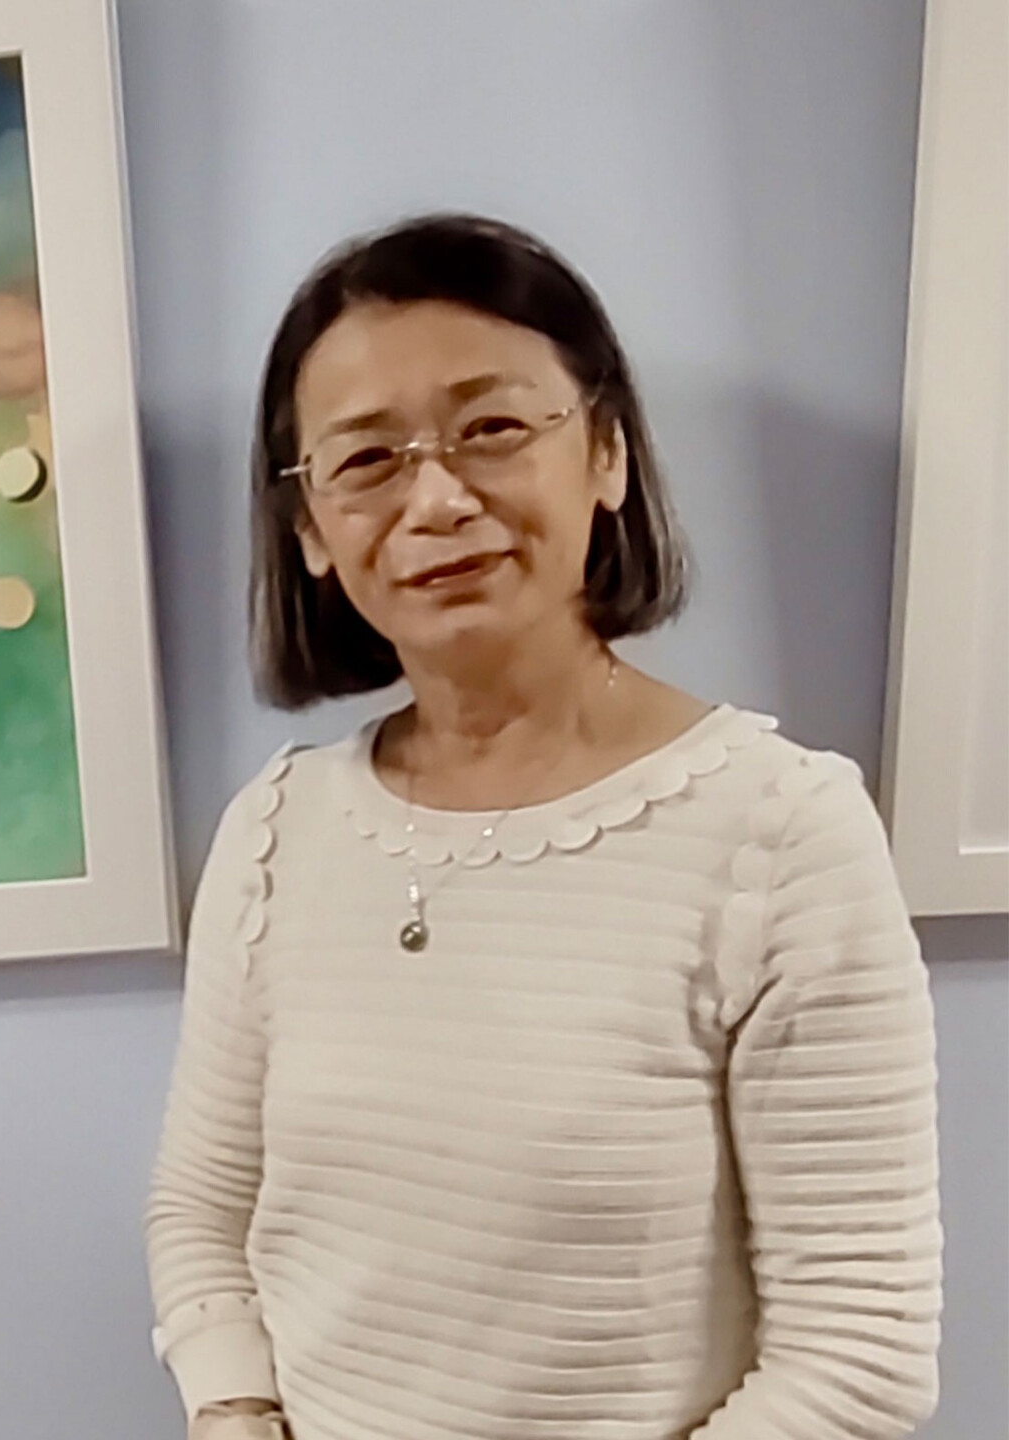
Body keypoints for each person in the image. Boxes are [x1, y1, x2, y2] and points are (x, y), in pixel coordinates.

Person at [143, 215, 941, 1440]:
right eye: (365, 462)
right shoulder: (275, 831)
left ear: (606, 454)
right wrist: (233, 1409)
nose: (437, 497)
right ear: (308, 529)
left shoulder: (779, 831)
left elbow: (858, 1356)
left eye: (493, 430)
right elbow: (204, 1215)